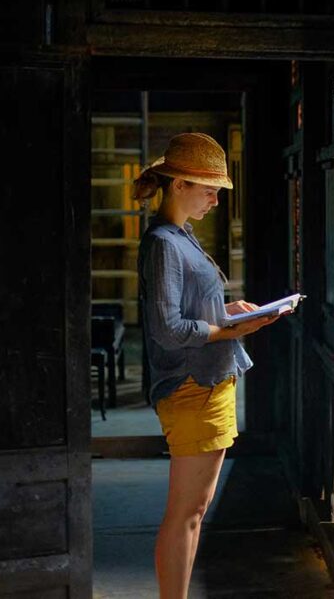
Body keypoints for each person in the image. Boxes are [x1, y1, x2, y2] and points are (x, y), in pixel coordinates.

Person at [131, 132, 284, 598]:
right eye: (209, 189)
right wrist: (225, 331)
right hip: (191, 387)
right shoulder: (162, 243)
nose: (217, 200)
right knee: (186, 513)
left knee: (196, 510)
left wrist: (228, 311)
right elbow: (168, 328)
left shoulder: (181, 237)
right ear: (178, 185)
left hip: (208, 383)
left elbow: (188, 309)